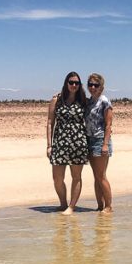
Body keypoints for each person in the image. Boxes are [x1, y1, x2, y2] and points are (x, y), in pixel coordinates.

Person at [47, 72, 89, 213]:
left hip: (78, 143)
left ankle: (71, 206)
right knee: (57, 178)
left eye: (76, 83)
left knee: (76, 177)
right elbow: (49, 122)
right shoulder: (57, 100)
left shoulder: (83, 100)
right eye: (71, 82)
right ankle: (63, 204)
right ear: (66, 83)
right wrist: (49, 145)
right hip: (60, 142)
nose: (74, 85)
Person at [85, 72, 113, 212]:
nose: (93, 87)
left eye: (96, 85)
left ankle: (108, 206)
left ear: (101, 87)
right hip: (89, 141)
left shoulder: (104, 101)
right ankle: (99, 206)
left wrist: (105, 144)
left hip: (100, 141)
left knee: (101, 176)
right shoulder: (89, 101)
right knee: (96, 177)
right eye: (90, 84)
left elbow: (108, 125)